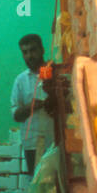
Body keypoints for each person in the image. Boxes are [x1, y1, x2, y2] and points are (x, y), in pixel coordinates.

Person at [12, 34, 57, 176]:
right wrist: (30, 107)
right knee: (37, 186)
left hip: (56, 142)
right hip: (32, 143)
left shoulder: (55, 73)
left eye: (33, 50)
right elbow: (16, 115)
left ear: (42, 50)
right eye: (25, 52)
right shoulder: (20, 80)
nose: (29, 56)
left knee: (57, 187)